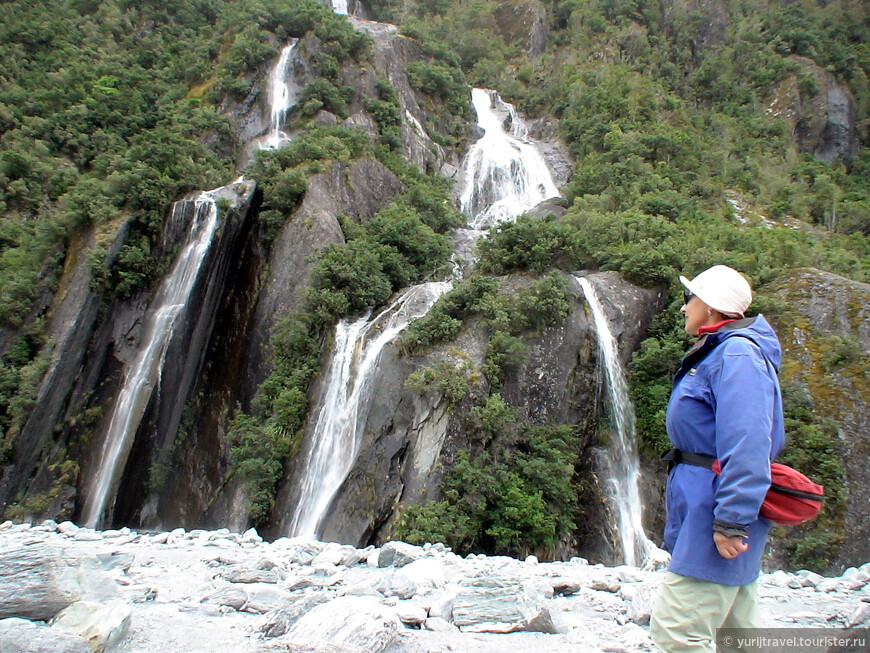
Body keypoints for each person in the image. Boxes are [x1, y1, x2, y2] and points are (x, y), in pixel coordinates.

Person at [650, 265, 786, 652]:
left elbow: (748, 443)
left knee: (676, 633)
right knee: (738, 635)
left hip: (717, 508)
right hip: (708, 502)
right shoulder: (723, 351)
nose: (683, 308)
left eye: (689, 298)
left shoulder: (737, 353)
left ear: (709, 307)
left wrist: (731, 520)